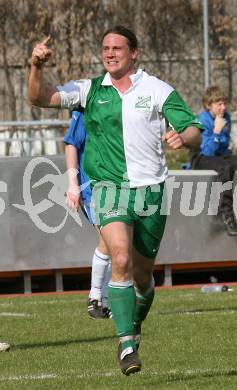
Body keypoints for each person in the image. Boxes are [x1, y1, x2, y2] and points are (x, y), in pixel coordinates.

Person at [28, 25, 202, 376]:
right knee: (118, 255)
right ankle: (125, 344)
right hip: (109, 189)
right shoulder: (89, 90)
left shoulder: (157, 90)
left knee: (142, 278)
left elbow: (194, 130)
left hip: (150, 193)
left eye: (117, 48)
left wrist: (183, 138)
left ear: (134, 52)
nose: (109, 53)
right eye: (105, 47)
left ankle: (133, 325)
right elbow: (39, 97)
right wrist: (36, 65)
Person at [64, 109, 112, 319]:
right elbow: (71, 144)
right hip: (93, 187)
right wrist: (73, 185)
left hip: (119, 185)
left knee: (118, 244)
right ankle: (96, 298)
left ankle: (105, 300)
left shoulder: (126, 103)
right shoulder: (86, 107)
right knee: (109, 239)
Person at [191, 86, 237, 236]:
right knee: (225, 167)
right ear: (208, 105)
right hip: (201, 157)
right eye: (219, 104)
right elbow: (207, 151)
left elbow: (224, 148)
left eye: (224, 103)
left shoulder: (226, 118)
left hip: (219, 155)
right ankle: (227, 214)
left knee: (230, 163)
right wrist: (216, 131)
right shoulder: (202, 120)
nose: (223, 107)